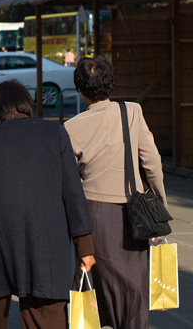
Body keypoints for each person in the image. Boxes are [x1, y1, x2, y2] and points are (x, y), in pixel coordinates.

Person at [0, 80, 95, 328]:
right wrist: (85, 247)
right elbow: (73, 193)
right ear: (27, 105)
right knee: (47, 315)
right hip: (46, 244)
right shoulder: (56, 133)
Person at [64, 56, 167, 329]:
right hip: (133, 214)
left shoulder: (70, 127)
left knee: (90, 284)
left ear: (81, 89)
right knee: (132, 288)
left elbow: (68, 180)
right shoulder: (132, 112)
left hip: (91, 215)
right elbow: (152, 162)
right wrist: (160, 205)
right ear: (110, 84)